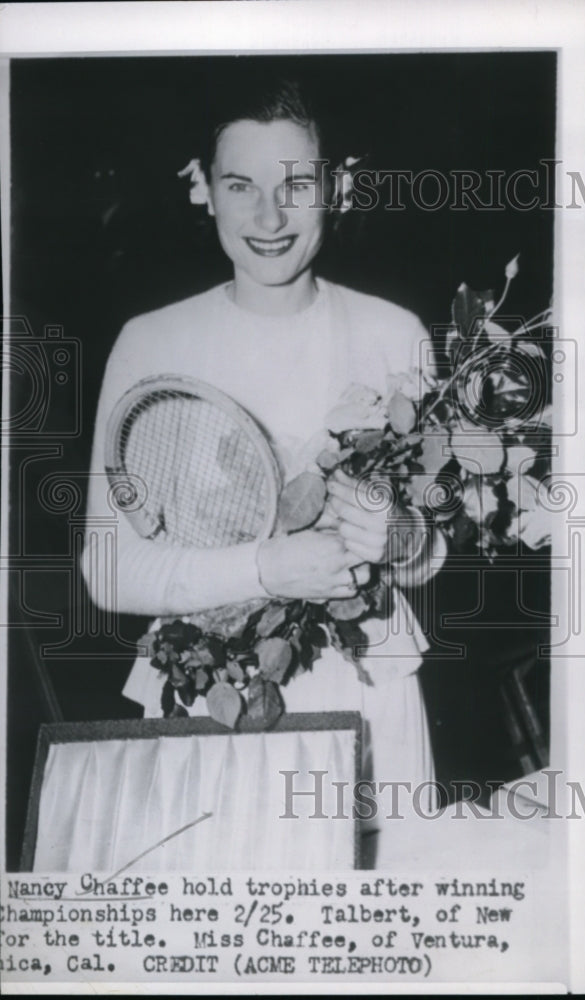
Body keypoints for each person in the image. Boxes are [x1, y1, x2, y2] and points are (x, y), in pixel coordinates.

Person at [82, 77, 447, 865]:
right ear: (199, 188)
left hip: (370, 690)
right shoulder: (152, 342)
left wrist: (400, 535)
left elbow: (427, 559)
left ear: (338, 185)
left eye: (297, 183)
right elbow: (108, 570)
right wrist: (268, 568)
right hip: (204, 697)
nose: (269, 217)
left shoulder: (395, 333)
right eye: (239, 185)